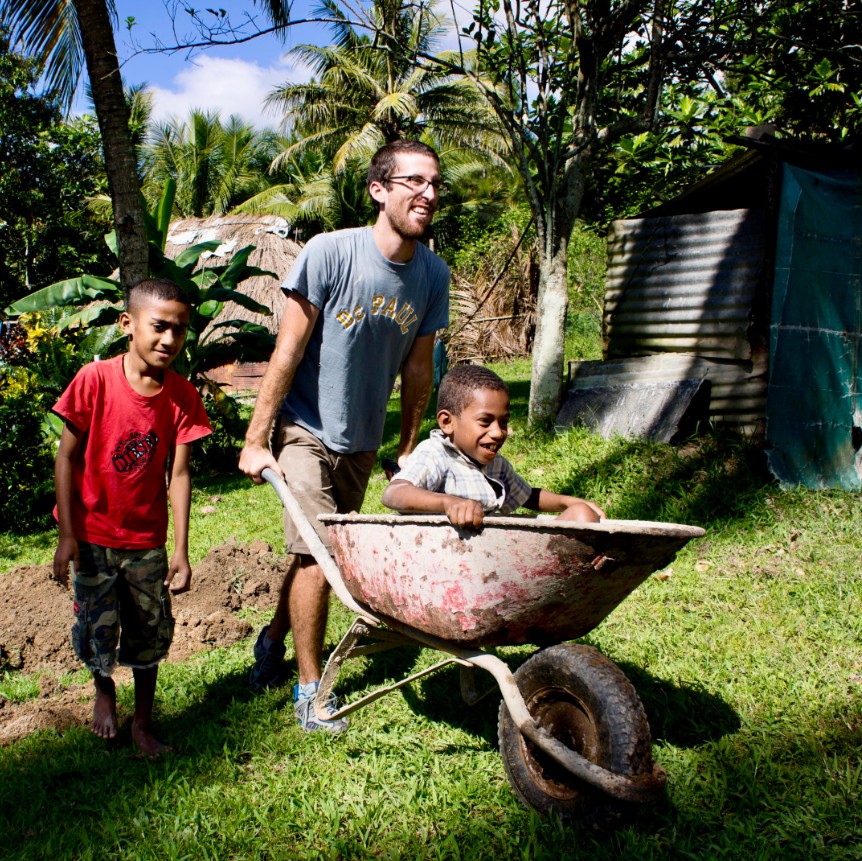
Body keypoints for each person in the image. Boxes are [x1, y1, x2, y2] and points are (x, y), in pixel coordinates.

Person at [238, 140, 450, 733]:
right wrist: (258, 438)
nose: (428, 195)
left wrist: (406, 446)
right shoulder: (330, 252)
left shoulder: (433, 275)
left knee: (323, 554)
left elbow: (417, 368)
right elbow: (288, 350)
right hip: (305, 427)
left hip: (359, 442)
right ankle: (311, 690)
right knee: (320, 553)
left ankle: (272, 639)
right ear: (378, 189)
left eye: (435, 184)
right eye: (414, 181)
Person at [52, 278, 211, 757]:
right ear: (128, 324)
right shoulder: (94, 380)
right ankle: (104, 690)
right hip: (92, 534)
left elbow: (178, 475)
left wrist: (181, 549)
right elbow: (66, 458)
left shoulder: (182, 396)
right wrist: (66, 535)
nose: (169, 340)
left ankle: (143, 722)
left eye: (180, 330)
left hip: (146, 541)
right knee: (96, 626)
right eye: (159, 326)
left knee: (148, 630)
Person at [382, 365, 605, 528]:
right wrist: (449, 503)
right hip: (445, 557)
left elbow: (528, 497)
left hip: (492, 559)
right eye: (485, 421)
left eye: (504, 422)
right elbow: (394, 493)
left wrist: (569, 501)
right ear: (447, 422)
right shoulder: (435, 454)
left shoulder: (495, 464)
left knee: (582, 514)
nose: (498, 432)